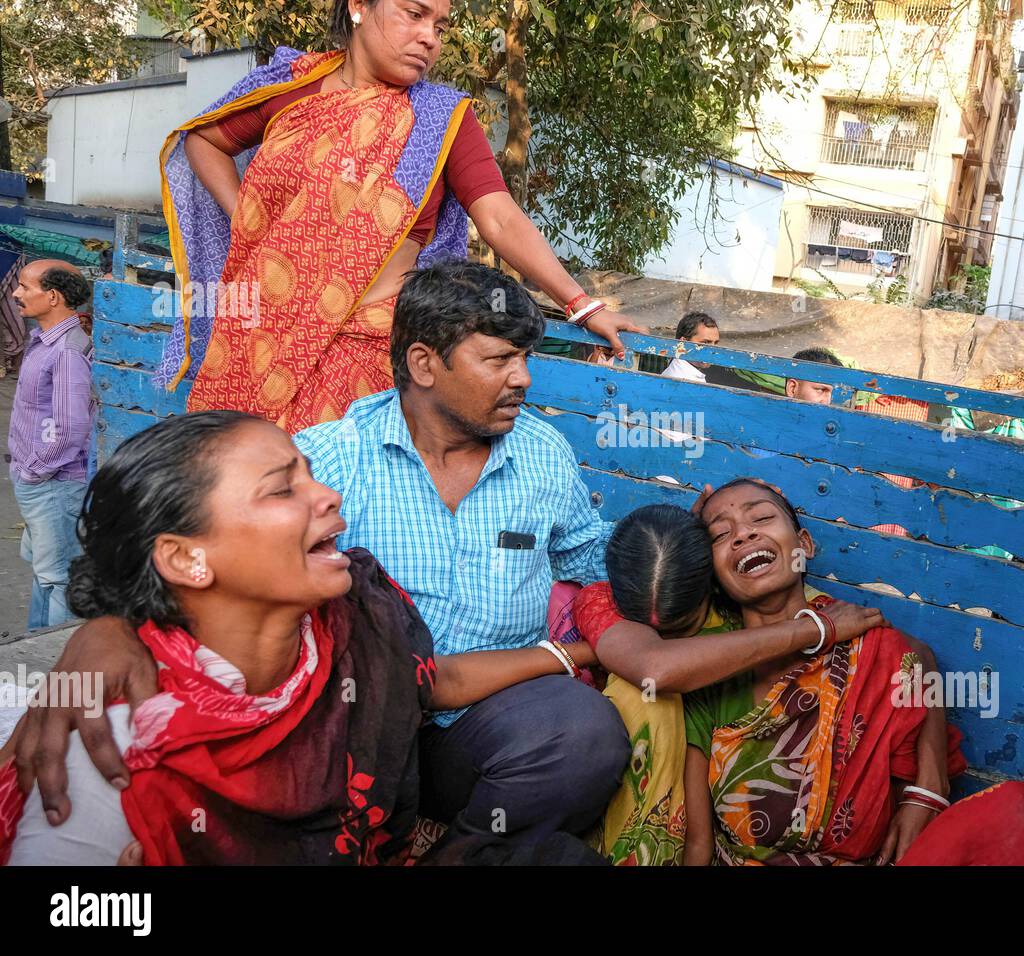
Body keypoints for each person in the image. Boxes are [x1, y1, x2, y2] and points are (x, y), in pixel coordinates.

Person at [10, 262, 630, 854]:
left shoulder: (542, 452)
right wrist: (106, 631)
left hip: (486, 716)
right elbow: (189, 550)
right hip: (349, 722)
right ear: (423, 363)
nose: (522, 378)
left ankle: (465, 853)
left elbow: (589, 558)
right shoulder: (330, 458)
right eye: (499, 359)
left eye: (524, 358)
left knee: (579, 735)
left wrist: (695, 544)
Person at [0, 411, 606, 865]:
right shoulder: (112, 752)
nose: (328, 494)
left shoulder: (360, 609)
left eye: (310, 475)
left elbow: (433, 678)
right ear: (187, 559)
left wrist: (574, 652)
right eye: (282, 488)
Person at [159, 0, 642, 431]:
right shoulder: (290, 89)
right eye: (415, 14)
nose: (430, 37)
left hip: (364, 352)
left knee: (334, 506)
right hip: (259, 334)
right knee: (237, 487)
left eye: (441, 25)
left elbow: (499, 217)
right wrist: (249, 217)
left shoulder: (441, 118)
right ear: (358, 8)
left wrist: (584, 305)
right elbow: (205, 140)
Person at [679, 479, 1024, 865]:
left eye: (761, 517)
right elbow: (699, 843)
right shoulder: (708, 674)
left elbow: (915, 656)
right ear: (713, 577)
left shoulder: (870, 650)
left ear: (804, 545)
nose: (744, 533)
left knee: (1019, 810)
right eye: (721, 535)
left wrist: (927, 791)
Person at [566, 503, 884, 864]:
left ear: (711, 588)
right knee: (643, 696)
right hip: (647, 794)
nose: (669, 642)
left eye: (685, 627)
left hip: (766, 826)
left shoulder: (747, 609)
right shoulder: (600, 602)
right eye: (648, 632)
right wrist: (815, 629)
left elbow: (890, 647)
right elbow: (657, 668)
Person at [7, 260, 94, 629]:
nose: (15, 293)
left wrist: (34, 472)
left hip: (53, 484)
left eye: (25, 287)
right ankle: (33, 646)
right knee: (46, 573)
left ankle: (56, 668)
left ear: (53, 296)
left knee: (59, 578)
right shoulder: (45, 340)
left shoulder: (67, 352)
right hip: (43, 482)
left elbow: (71, 428)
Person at [662, 311, 719, 382]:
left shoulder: (687, 373)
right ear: (683, 343)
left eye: (716, 343)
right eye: (705, 342)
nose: (713, 350)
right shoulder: (681, 378)